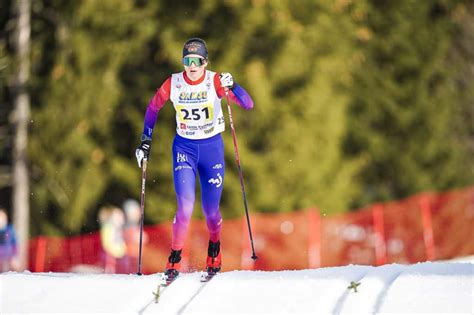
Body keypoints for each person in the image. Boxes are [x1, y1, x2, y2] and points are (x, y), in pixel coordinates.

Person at [135, 37, 254, 279]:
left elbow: (247, 104)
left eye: (196, 61)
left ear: (205, 62)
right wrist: (145, 142)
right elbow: (153, 108)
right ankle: (175, 256)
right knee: (185, 207)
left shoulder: (215, 81)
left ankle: (214, 248)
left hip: (212, 150)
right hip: (184, 149)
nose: (191, 65)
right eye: (187, 60)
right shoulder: (174, 83)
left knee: (211, 211)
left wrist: (235, 85)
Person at [98, 206, 126, 273]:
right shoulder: (109, 228)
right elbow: (107, 243)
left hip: (117, 253)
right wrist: (114, 249)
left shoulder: (117, 228)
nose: (121, 218)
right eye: (118, 216)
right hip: (110, 253)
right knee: (110, 268)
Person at [122, 199, 148, 273]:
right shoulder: (124, 228)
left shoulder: (137, 228)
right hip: (127, 259)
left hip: (137, 260)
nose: (136, 215)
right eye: (132, 213)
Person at [0, 207, 18, 272]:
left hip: (9, 254)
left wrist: (14, 254)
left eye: (2, 218)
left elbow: (14, 242)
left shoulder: (10, 229)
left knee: (13, 266)